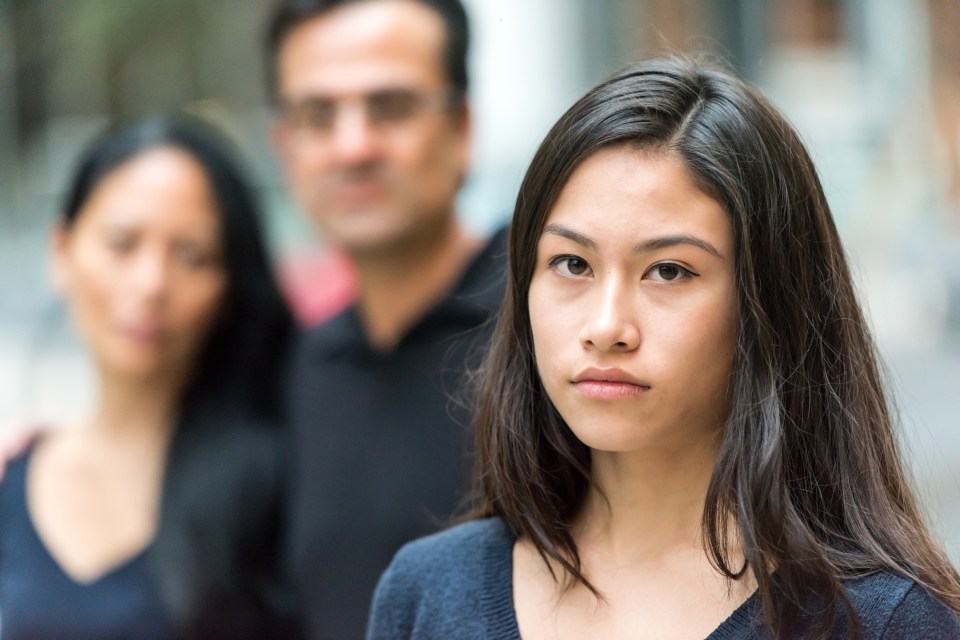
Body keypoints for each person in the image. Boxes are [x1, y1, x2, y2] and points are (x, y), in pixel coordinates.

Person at [366, 58, 960, 639]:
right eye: (571, 264)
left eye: (669, 271)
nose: (606, 326)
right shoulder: (428, 593)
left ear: (770, 303)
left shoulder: (884, 622)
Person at [0, 116, 301, 639]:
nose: (151, 283)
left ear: (230, 286)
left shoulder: (282, 474)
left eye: (192, 256)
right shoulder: (13, 481)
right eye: (121, 243)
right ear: (61, 252)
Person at [266, 0, 506, 636]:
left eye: (391, 106)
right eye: (318, 116)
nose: (354, 147)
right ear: (284, 147)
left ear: (462, 128)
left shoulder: (558, 320)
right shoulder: (292, 367)